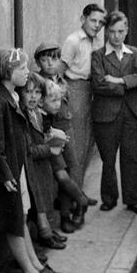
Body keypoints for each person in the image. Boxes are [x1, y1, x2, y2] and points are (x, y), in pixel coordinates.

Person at [0, 48, 65, 273]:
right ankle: (30, 272)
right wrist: (5, 174)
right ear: (8, 72)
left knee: (21, 216)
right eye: (22, 69)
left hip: (19, 169)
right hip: (9, 174)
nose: (28, 73)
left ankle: (35, 264)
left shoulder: (12, 98)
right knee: (13, 221)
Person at [91, 10, 137, 214]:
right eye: (112, 32)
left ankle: (133, 200)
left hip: (131, 113)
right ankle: (109, 198)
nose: (116, 36)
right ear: (106, 32)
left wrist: (120, 81)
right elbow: (99, 84)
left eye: (121, 31)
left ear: (127, 31)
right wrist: (129, 86)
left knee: (133, 157)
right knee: (108, 158)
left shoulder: (133, 52)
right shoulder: (98, 56)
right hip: (106, 115)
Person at [60, 3, 106, 197]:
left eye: (100, 22)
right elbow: (61, 71)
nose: (96, 25)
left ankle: (79, 190)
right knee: (77, 145)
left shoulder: (97, 42)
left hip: (92, 90)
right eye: (93, 20)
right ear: (83, 19)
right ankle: (74, 196)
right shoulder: (73, 41)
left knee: (89, 144)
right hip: (76, 89)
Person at [17, 73, 65, 250]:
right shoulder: (23, 115)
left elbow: (40, 135)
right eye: (28, 92)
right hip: (32, 166)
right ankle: (42, 237)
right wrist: (49, 149)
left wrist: (52, 137)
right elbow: (28, 149)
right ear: (21, 93)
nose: (33, 97)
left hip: (41, 164)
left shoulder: (36, 112)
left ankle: (47, 232)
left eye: (37, 92)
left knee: (45, 197)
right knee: (36, 206)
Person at [41, 78, 89, 233]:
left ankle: (68, 212)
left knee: (64, 175)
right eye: (53, 101)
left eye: (59, 101)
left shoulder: (52, 110)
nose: (57, 104)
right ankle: (81, 200)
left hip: (55, 142)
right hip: (46, 146)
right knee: (61, 177)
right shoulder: (40, 112)